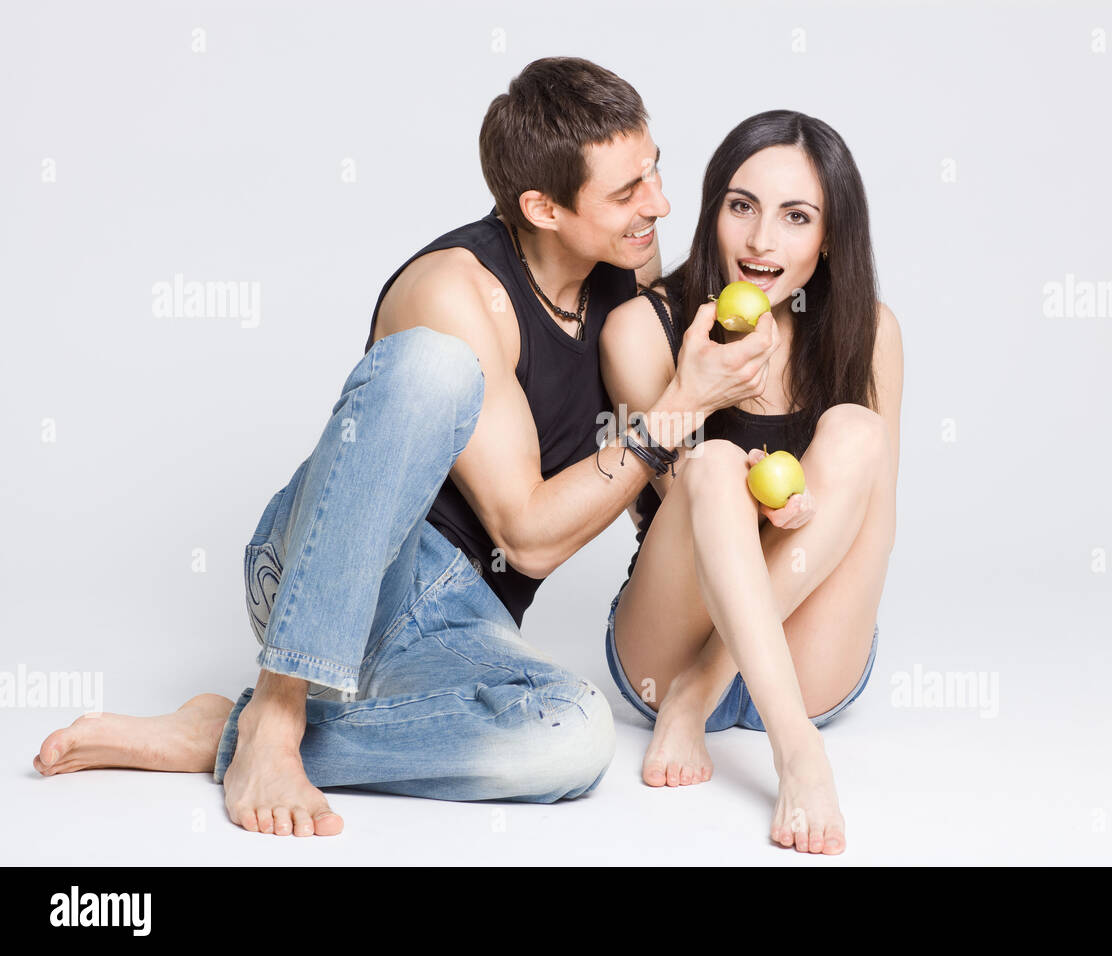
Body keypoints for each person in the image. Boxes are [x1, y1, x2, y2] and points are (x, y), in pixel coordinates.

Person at [31, 57, 777, 837]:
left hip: (460, 619)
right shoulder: (454, 287)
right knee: (433, 365)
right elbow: (527, 535)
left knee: (572, 737)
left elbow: (636, 493)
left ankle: (226, 731)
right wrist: (679, 407)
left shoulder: (625, 273)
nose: (657, 204)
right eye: (626, 193)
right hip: (335, 569)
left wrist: (721, 480)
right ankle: (280, 711)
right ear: (542, 207)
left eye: (654, 172)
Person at [598, 110, 904, 855]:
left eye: (796, 218)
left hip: (805, 653)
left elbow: (879, 518)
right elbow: (677, 500)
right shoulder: (643, 327)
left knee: (860, 434)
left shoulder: (871, 331)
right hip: (666, 645)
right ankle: (800, 755)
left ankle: (705, 691)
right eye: (742, 207)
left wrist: (812, 515)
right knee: (708, 465)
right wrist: (702, 388)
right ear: (713, 212)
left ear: (829, 237)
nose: (762, 241)